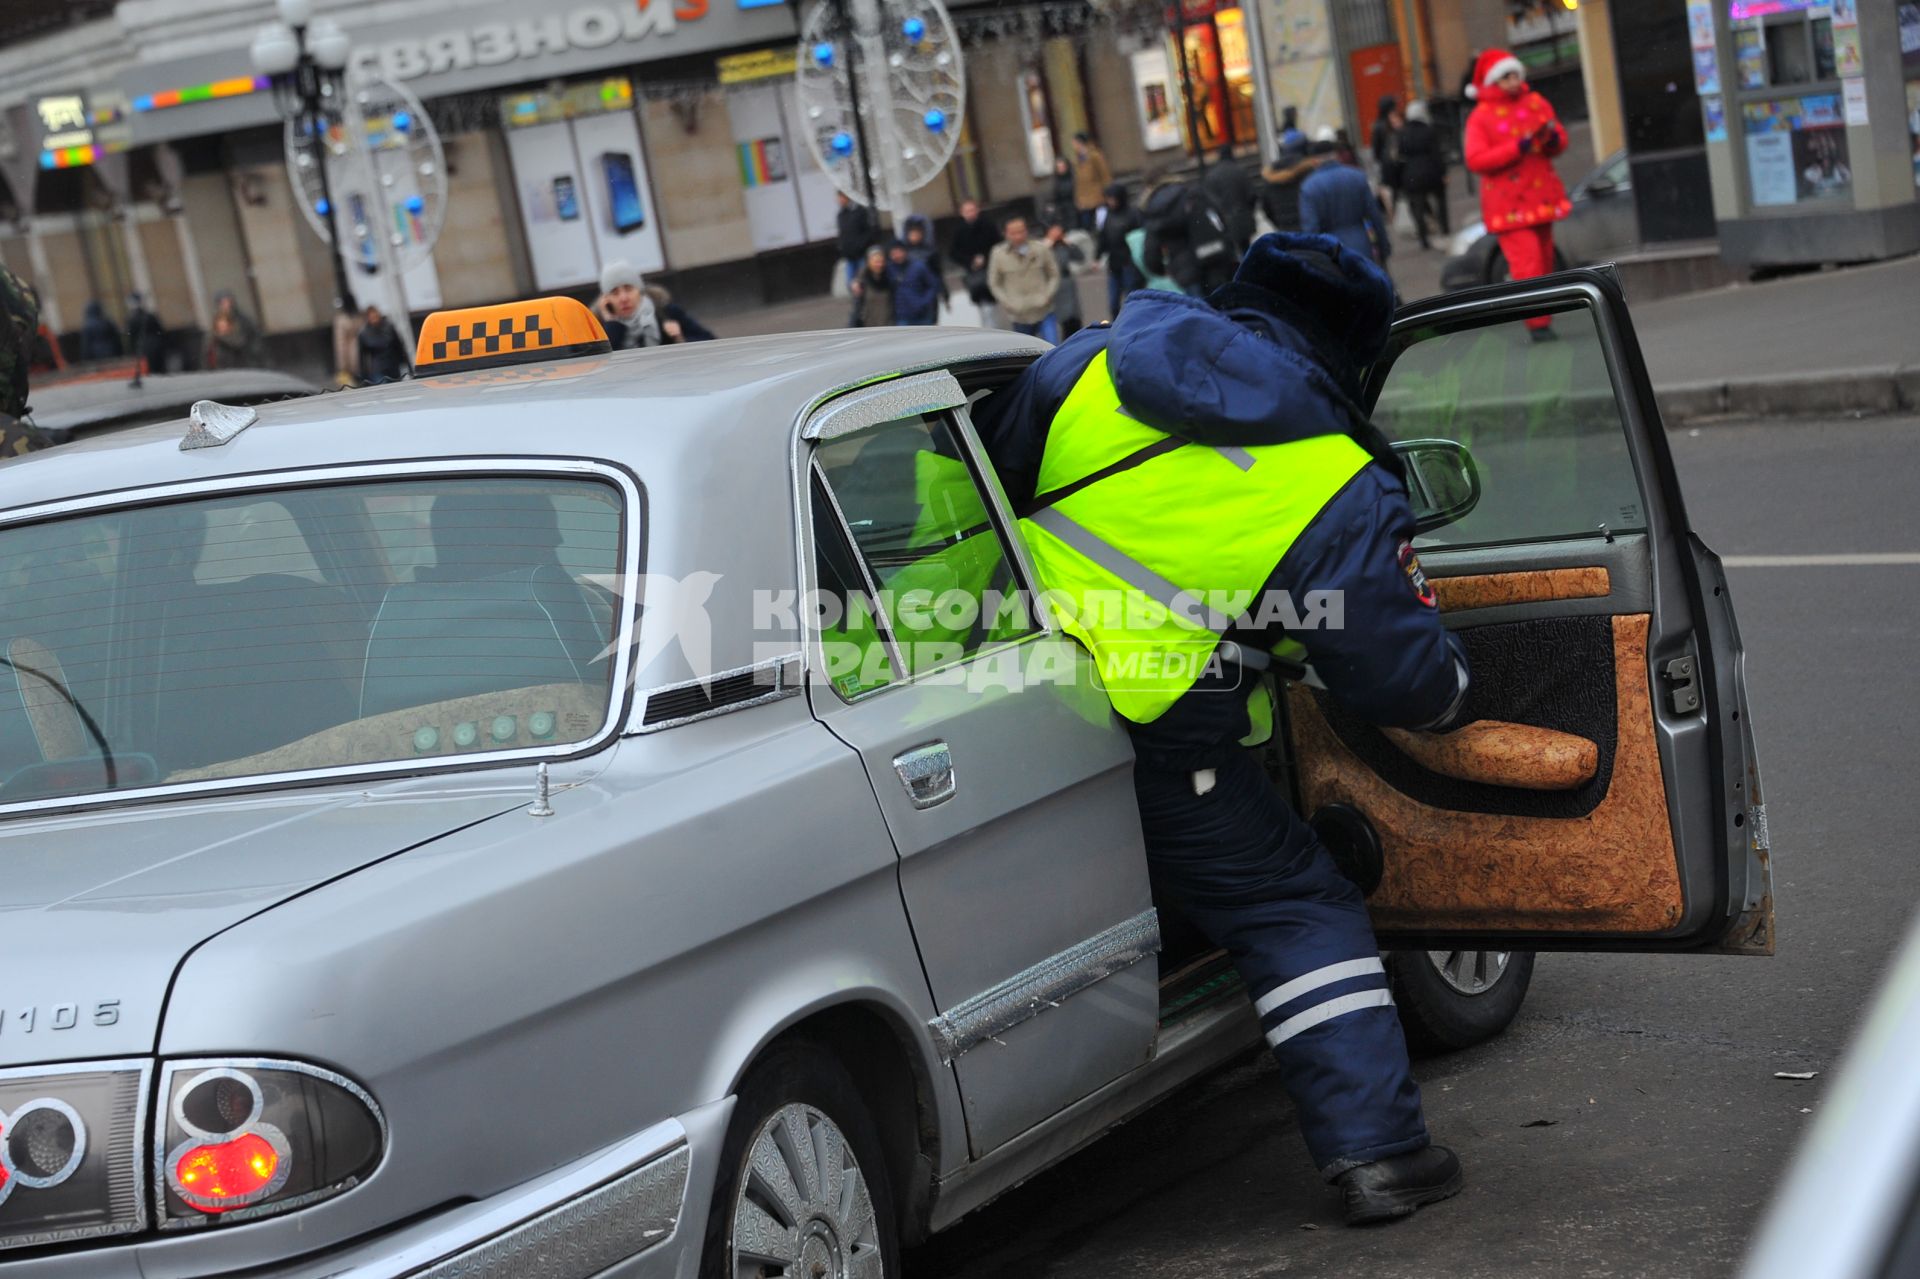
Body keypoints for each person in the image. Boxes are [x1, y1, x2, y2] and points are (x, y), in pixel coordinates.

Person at [970, 231, 1471, 1226]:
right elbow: (1398, 674)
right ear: (1352, 358)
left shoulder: (1081, 366)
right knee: (1298, 904)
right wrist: (1458, 686)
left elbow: (978, 497)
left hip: (1004, 715)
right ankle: (1378, 1153)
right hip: (1156, 748)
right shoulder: (1331, 472)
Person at [1463, 48, 1570, 335]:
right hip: (1508, 205)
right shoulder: (1480, 117)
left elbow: (1558, 141)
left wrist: (1551, 139)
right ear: (1492, 81)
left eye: (1515, 75)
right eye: (1505, 77)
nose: (1512, 81)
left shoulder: (1535, 102)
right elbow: (1475, 159)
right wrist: (1516, 148)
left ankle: (1543, 315)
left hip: (1540, 197)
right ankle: (1538, 324)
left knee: (1544, 260)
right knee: (1528, 261)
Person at [1300, 134, 1392, 271]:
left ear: (1314, 161)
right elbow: (1374, 215)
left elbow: (1311, 228)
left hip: (1332, 251)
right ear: (1336, 155)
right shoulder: (1357, 176)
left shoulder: (1309, 187)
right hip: (1361, 244)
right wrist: (1383, 246)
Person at [1141, 176, 1238, 297]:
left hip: (1186, 272)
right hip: (1215, 257)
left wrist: (1163, 270)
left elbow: (1151, 255)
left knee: (1201, 312)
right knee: (1224, 304)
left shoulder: (1154, 209)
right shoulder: (1192, 192)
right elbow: (1220, 218)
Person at [594, 260, 715, 347]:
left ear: (639, 290)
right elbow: (600, 364)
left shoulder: (665, 312)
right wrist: (612, 323)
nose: (624, 298)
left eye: (629, 289)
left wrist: (680, 339)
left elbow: (711, 343)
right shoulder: (598, 327)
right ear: (606, 299)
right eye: (615, 293)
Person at [987, 215, 1061, 342]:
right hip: (1019, 314)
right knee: (1027, 355)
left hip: (1043, 309)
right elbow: (994, 283)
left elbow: (1054, 274)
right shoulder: (999, 254)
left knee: (1052, 349)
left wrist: (1048, 294)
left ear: (1026, 231)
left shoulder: (1040, 249)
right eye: (1013, 233)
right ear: (1006, 234)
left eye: (1021, 231)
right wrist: (1007, 302)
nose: (1018, 236)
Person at [1397, 100, 1451, 250]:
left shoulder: (1403, 133)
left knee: (1418, 207)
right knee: (1440, 201)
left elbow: (1400, 154)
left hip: (1412, 173)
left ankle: (1423, 238)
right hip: (1431, 171)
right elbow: (1436, 153)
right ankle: (1444, 229)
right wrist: (1443, 172)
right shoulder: (1429, 130)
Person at [1094, 182, 1145, 317]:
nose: (1110, 202)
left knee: (1132, 298)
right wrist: (1097, 256)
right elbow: (1103, 237)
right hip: (1114, 263)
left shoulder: (1133, 213)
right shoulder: (1109, 215)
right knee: (1113, 302)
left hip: (1129, 262)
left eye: (1112, 198)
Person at [949, 198, 1002, 327]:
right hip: (973, 273)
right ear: (962, 212)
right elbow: (953, 252)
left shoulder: (988, 225)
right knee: (982, 306)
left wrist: (986, 258)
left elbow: (998, 244)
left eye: (972, 210)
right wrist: (969, 262)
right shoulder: (959, 231)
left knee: (991, 306)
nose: (970, 213)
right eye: (967, 211)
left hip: (990, 269)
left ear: (977, 210)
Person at [1202, 143, 1258, 254]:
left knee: (1231, 252)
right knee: (1245, 249)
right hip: (1242, 217)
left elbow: (1209, 201)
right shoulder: (1240, 171)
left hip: (1224, 221)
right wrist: (1248, 211)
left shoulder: (1211, 176)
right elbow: (1252, 195)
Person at [1260, 135, 1324, 234]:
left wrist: (1279, 224)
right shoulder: (1310, 173)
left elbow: (1266, 208)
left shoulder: (1270, 179)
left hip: (1285, 231)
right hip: (1311, 229)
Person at [1044, 221, 1086, 339]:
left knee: (1075, 317)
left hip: (1068, 282)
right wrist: (1049, 243)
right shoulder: (1045, 247)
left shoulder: (1064, 246)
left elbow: (1080, 257)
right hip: (1056, 284)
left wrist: (1069, 244)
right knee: (1064, 318)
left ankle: (1078, 338)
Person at [888, 239, 942, 326]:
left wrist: (924, 302)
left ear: (905, 251)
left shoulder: (919, 266)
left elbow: (933, 285)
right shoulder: (888, 269)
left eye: (899, 252)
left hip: (923, 315)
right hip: (902, 317)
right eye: (893, 253)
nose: (897, 256)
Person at [205, 290, 262, 368]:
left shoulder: (242, 319)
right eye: (222, 303)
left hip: (244, 357)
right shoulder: (218, 319)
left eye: (228, 302)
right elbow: (210, 342)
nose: (226, 305)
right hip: (225, 360)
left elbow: (250, 336)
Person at [356, 304, 410, 384]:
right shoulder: (364, 334)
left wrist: (406, 364)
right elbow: (362, 357)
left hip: (393, 365)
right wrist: (363, 375)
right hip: (378, 368)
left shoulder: (389, 327)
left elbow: (399, 346)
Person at [1371, 95, 1405, 219]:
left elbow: (1376, 150)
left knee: (1394, 193)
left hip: (1388, 166)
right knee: (1400, 192)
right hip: (1397, 164)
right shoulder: (1392, 123)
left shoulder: (1378, 125)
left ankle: (1396, 216)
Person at [834, 191, 876, 289]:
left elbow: (868, 231)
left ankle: (860, 299)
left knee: (862, 279)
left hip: (860, 252)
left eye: (841, 197)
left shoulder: (860, 211)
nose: (839, 200)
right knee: (850, 282)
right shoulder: (841, 215)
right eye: (838, 197)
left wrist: (861, 244)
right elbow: (842, 233)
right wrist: (842, 247)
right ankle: (856, 299)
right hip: (849, 254)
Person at [1071, 132, 1112, 230]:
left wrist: (1107, 194)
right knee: (1087, 227)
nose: (1073, 146)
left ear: (1080, 143)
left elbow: (1105, 176)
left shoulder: (1095, 156)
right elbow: (1078, 182)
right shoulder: (1076, 160)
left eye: (1074, 143)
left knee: (1101, 225)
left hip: (1097, 198)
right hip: (1083, 201)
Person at [848, 246, 895, 327]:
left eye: (881, 261)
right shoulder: (862, 279)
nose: (879, 264)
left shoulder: (890, 276)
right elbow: (857, 307)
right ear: (868, 262)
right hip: (869, 326)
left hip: (888, 325)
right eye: (876, 262)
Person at [126, 292, 166, 378]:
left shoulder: (132, 320)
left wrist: (132, 351)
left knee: (150, 370)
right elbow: (160, 331)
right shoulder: (150, 316)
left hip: (143, 347)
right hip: (156, 344)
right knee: (160, 369)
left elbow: (131, 337)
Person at [1043, 157, 1078, 231]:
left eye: (1063, 167)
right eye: (1059, 167)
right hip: (1060, 209)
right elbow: (1052, 196)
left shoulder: (1072, 178)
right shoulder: (1054, 180)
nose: (1061, 169)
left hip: (1073, 206)